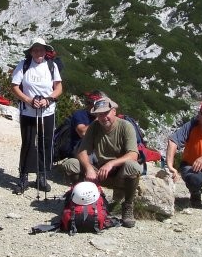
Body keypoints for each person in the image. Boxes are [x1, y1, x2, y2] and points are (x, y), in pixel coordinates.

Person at [60, 96, 142, 228]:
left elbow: (133, 154)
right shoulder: (94, 127)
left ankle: (127, 206)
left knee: (133, 167)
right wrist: (88, 168)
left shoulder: (126, 127)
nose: (104, 117)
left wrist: (111, 164)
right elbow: (82, 151)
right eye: (100, 114)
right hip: (98, 173)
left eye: (106, 113)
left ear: (114, 111)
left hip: (119, 173)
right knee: (71, 164)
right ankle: (80, 201)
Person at [11, 37, 63, 194]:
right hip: (28, 111)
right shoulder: (24, 65)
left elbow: (58, 87)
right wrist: (28, 100)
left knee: (45, 143)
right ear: (31, 51)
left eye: (41, 49)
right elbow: (14, 87)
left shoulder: (52, 66)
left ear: (45, 51)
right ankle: (24, 176)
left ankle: (42, 176)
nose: (38, 52)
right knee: (27, 143)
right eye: (35, 49)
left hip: (47, 112)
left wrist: (48, 99)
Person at [66, 90, 106, 158]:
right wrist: (99, 118)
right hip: (81, 151)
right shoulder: (79, 114)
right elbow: (83, 133)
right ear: (92, 103)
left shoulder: (105, 117)